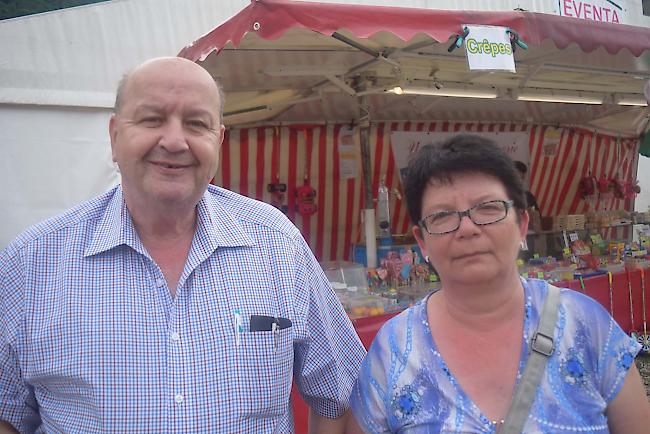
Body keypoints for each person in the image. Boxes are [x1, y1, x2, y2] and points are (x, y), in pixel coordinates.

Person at [0, 57, 365, 433]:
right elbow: (7, 414)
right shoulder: (31, 263)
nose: (174, 141)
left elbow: (341, 394)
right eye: (152, 119)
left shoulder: (277, 244)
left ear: (218, 140)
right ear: (114, 137)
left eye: (196, 124)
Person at [348, 135, 650, 433]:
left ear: (522, 225)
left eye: (488, 208)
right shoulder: (394, 349)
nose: (467, 228)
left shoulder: (585, 325)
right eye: (442, 216)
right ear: (421, 241)